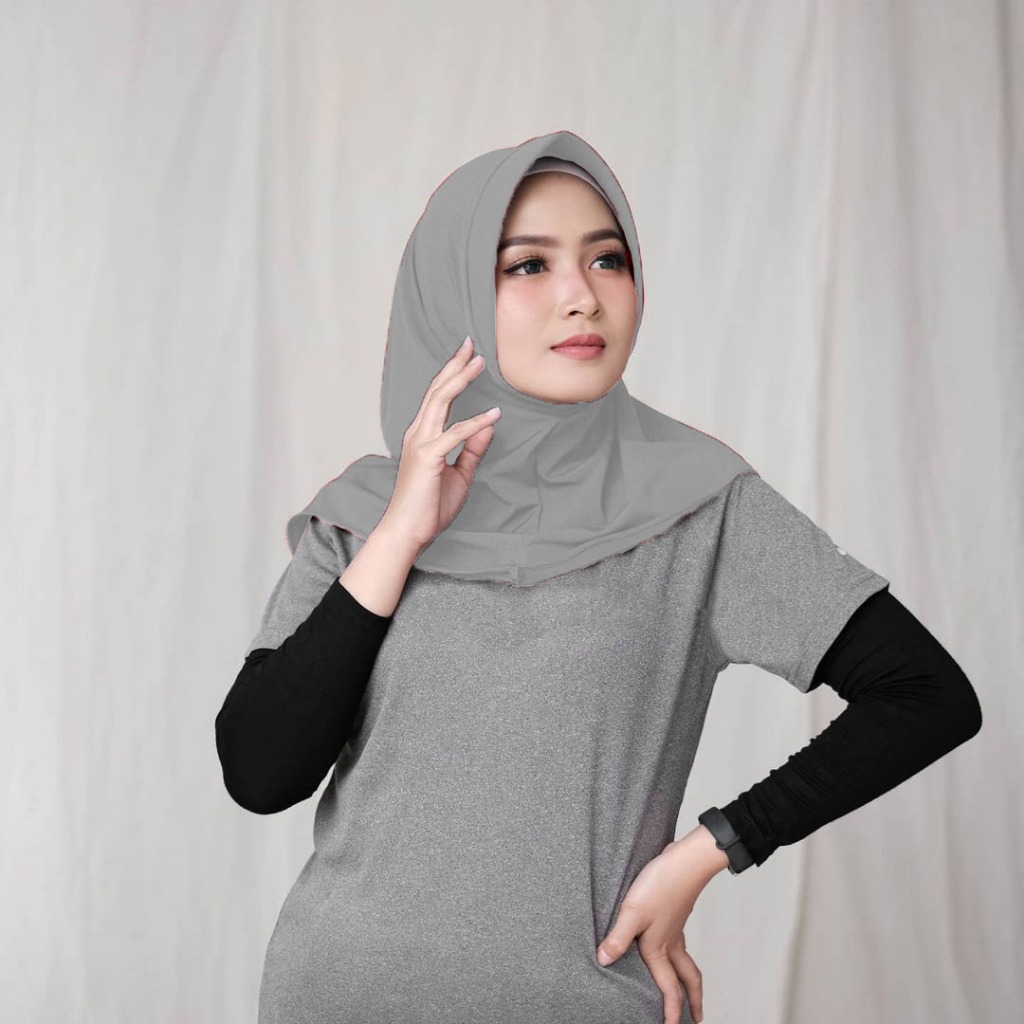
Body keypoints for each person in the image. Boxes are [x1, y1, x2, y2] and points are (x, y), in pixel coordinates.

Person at [215, 131, 982, 1024]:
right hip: (337, 996)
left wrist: (712, 849)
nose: (582, 295)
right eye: (527, 266)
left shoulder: (698, 507)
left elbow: (927, 696)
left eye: (607, 259)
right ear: (454, 294)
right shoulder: (363, 521)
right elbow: (261, 775)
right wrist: (402, 534)